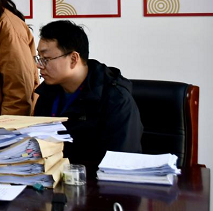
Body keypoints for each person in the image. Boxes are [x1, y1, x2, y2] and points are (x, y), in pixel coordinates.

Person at [33, 20, 143, 169]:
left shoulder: (115, 99)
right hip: (55, 176)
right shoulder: (47, 94)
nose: (39, 65)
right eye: (39, 58)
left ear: (73, 59)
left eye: (46, 59)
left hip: (96, 179)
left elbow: (122, 161)